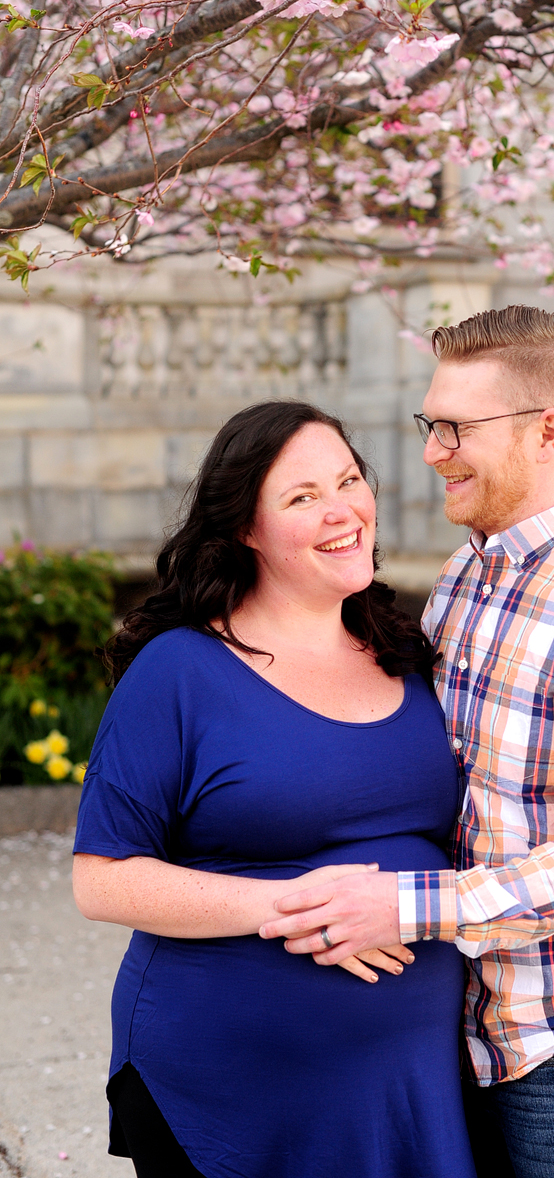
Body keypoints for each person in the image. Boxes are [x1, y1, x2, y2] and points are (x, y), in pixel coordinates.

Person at [263, 306, 554, 1178]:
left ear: (547, 432)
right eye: (431, 424)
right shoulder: (464, 576)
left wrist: (406, 907)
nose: (431, 451)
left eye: (456, 429)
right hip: (459, 1020)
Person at [72, 401, 477, 1178]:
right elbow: (101, 880)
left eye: (349, 480)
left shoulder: (407, 653)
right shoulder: (180, 671)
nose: (342, 511)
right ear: (245, 530)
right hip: (229, 1086)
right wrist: (298, 908)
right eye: (301, 497)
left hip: (404, 1089)